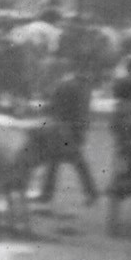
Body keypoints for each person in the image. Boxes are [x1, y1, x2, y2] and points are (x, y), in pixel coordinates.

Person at [33, 66, 99, 207]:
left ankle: (47, 194)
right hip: (75, 132)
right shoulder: (86, 89)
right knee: (72, 162)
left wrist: (38, 109)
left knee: (56, 160)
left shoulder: (65, 85)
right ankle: (91, 193)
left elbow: (53, 106)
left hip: (62, 131)